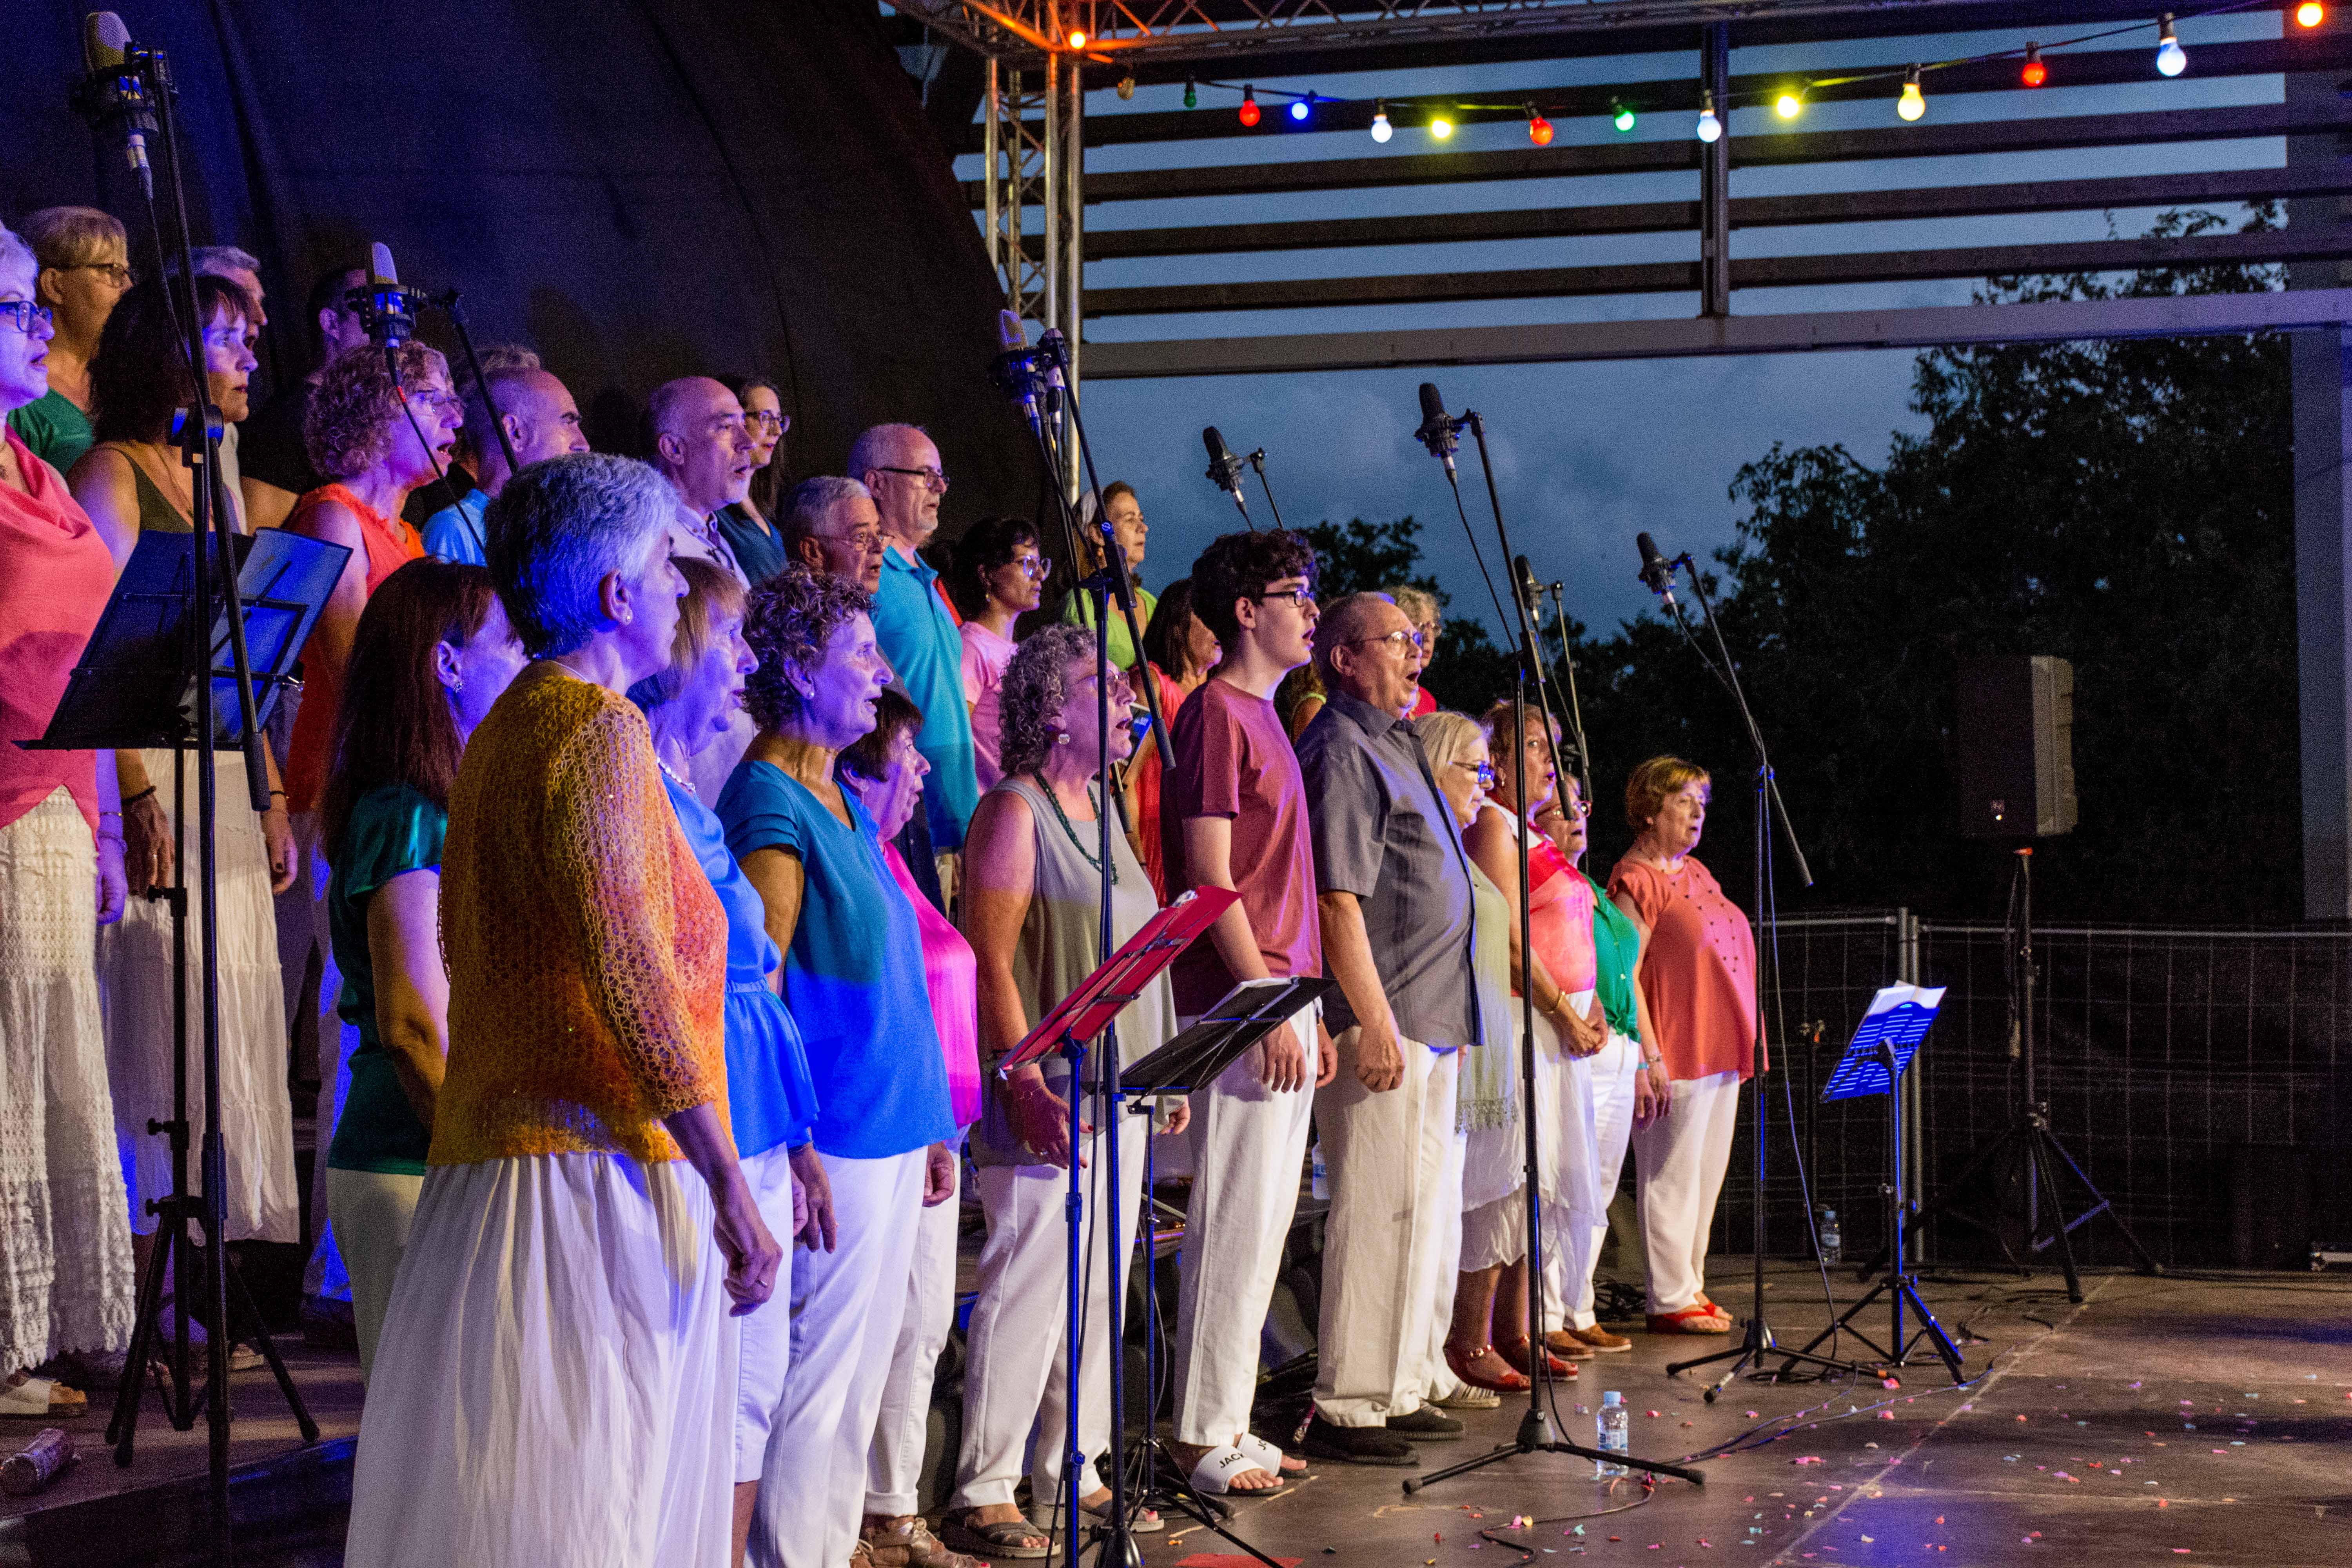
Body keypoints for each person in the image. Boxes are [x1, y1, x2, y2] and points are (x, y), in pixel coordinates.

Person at [343, 453, 781, 1567]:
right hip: (588, 1185)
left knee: (536, 1511)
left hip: (514, 1174)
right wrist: (728, 1181)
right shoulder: (594, 732)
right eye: (666, 568)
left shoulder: (502, 735)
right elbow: (628, 971)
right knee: (597, 1509)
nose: (687, 591)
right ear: (614, 595)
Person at [68, 274, 303, 1287]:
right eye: (228, 337)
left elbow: (239, 658)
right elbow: (101, 659)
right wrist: (134, 795)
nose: (249, 356)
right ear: (171, 349)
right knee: (157, 1014)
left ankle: (188, 1279)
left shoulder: (212, 475)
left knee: (221, 1014)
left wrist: (274, 788)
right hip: (154, 773)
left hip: (223, 776)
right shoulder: (113, 473)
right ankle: (137, 1287)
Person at [719, 567, 957, 1568]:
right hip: (840, 1128)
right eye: (857, 653)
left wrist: (937, 1116)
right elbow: (756, 986)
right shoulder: (771, 798)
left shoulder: (838, 794)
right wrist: (802, 1137)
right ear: (793, 669)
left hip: (894, 1122)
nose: (880, 671)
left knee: (859, 1375)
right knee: (820, 1378)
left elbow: (895, 974)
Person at [947, 626, 1182, 1556]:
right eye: (1105, 686)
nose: (1128, 701)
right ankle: (986, 1484)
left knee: (1092, 1290)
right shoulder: (1015, 809)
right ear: (1051, 709)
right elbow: (991, 962)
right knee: (1030, 1281)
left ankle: (1071, 1466)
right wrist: (1022, 1079)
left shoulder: (1104, 810)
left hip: (1115, 1087)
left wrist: (1158, 1074)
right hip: (1047, 1090)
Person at [627, 557, 824, 1568]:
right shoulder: (645, 794)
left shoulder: (685, 793)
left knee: (749, 1386)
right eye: (732, 641)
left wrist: (794, 1141)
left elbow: (753, 984)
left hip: (754, 1117)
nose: (748, 664)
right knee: (718, 1386)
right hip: (706, 1127)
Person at [316, 559, 527, 1378]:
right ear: (447, 664)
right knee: (434, 1453)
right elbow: (412, 1026)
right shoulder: (406, 813)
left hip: (448, 1154)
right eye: (508, 642)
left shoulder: (453, 802)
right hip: (415, 1162)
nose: (527, 659)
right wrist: (487, 1168)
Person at [282, 342, 457, 1322]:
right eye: (431, 399)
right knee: (355, 1010)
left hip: (403, 789)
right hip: (350, 790)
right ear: (378, 406)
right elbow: (358, 674)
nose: (451, 418)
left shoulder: (414, 533)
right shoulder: (332, 515)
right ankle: (336, 1269)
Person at [1161, 528, 1328, 1495]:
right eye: (1294, 593)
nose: (1310, 608)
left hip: (1284, 991)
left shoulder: (1266, 717)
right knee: (1232, 1211)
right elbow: (1208, 875)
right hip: (1246, 996)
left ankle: (1226, 1413)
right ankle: (1198, 1431)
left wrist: (1309, 1011)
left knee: (1267, 1217)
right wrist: (1261, 1004)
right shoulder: (1216, 715)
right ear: (1243, 610)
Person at [1295, 594, 1479, 1467]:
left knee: (1417, 1210)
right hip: (1388, 1014)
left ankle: (1400, 1380)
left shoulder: (1399, 740)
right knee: (1373, 1209)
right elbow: (1338, 897)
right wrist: (1369, 1017)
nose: (1417, 653)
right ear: (1342, 657)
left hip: (1430, 1015)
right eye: (1398, 641)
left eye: (1417, 641)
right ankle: (1349, 1399)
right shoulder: (1340, 745)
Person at [0, 221, 134, 1416]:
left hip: (52, 800)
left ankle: (43, 1327)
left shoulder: (34, 474)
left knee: (52, 1066)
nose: (35, 328)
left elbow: (85, 656)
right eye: (8, 307)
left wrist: (98, 825)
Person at [839, 691, 985, 1568]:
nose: (926, 767)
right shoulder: (858, 855)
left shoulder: (900, 863)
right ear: (862, 766)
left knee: (924, 1319)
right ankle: (846, 1516)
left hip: (933, 1121)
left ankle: (892, 1507)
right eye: (908, 751)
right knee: (870, 1327)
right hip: (876, 1124)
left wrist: (940, 1125)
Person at [1452, 701, 1608, 1385]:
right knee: (1505, 1178)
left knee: (1536, 1184)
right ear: (1501, 758)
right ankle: (1472, 1337)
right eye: (1537, 747)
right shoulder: (1493, 826)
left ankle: (1516, 1329)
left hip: (1557, 1027)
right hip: (1522, 1023)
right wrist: (1562, 1013)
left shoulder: (1532, 832)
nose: (1550, 761)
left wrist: (1591, 1007)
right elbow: (1509, 938)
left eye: (1554, 748)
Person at [1611, 757, 1755, 1335]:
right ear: (1649, 809)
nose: (1698, 813)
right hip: (1675, 1041)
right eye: (1684, 802)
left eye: (1702, 802)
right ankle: (1668, 1297)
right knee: (1670, 1174)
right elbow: (1626, 972)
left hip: (1719, 1040)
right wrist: (1649, 1054)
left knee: (1705, 1174)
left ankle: (1689, 1286)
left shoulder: (1696, 872)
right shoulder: (1636, 879)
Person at [1535, 788, 1663, 1354]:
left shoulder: (1593, 892)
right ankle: (1544, 1315)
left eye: (1583, 807)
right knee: (1563, 1181)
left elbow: (1625, 974)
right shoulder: (1550, 883)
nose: (1578, 816)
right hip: (1578, 1040)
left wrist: (1642, 1053)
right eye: (1563, 808)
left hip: (1619, 1044)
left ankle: (1578, 1305)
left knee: (1598, 1187)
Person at [1410, 711, 1512, 1414]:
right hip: (1420, 1033)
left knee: (1444, 1217)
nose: (1487, 780)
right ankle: (1417, 1363)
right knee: (1422, 1216)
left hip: (1460, 1040)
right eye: (1472, 767)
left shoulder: (1455, 845)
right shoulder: (1425, 841)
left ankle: (1430, 1361)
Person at [853, 423, 979, 864]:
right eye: (926, 475)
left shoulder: (926, 575)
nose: (940, 488)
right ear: (877, 483)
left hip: (957, 818)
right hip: (905, 818)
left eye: (941, 476)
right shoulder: (867, 575)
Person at [419, 348, 589, 566]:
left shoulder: (566, 526)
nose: (583, 445)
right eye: (567, 422)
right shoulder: (455, 529)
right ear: (514, 432)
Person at [238, 263, 369, 532]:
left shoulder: (367, 413)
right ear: (332, 322)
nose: (386, 323)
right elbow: (256, 543)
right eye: (369, 308)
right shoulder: (290, 418)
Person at [6, 207, 131, 475]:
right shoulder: (19, 397)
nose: (128, 287)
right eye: (112, 270)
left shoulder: (123, 384)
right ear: (54, 284)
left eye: (128, 273)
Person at [1132, 576, 1219, 899]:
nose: (1221, 628)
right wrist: (1135, 858)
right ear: (1179, 624)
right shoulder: (1150, 685)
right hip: (1153, 843)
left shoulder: (1218, 696)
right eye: (1210, 619)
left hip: (1200, 839)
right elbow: (1122, 779)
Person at [953, 515, 1046, 790]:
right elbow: (956, 739)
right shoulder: (972, 646)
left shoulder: (1019, 652)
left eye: (1040, 564)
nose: (1039, 575)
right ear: (987, 573)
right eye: (1025, 564)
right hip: (984, 808)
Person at [189, 244, 268, 523]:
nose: (260, 317)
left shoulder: (224, 428)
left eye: (259, 301)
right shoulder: (114, 467)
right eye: (242, 299)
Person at [649, 375, 753, 584]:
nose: (748, 442)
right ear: (674, 449)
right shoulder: (652, 547)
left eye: (743, 423)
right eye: (726, 426)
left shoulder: (713, 534)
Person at [1059, 480, 1154, 669]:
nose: (1143, 528)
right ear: (1098, 534)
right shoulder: (1080, 604)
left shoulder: (1153, 605)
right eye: (1130, 519)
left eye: (1141, 519)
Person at [715, 374, 792, 584]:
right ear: (736, 421)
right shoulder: (716, 509)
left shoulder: (762, 505)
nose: (776, 431)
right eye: (765, 418)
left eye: (779, 420)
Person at [778, 474, 886, 594]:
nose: (879, 548)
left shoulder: (858, 610)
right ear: (813, 552)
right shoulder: (798, 613)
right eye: (861, 536)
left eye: (878, 533)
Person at [1388, 586, 1442, 719]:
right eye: (1420, 626)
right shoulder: (1382, 693)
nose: (1428, 637)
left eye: (1433, 628)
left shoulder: (1428, 701)